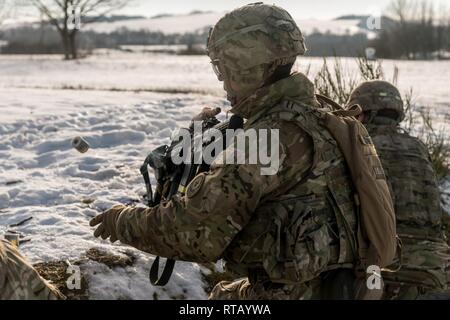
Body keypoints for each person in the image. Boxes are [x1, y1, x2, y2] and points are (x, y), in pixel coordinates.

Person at [90, 3, 396, 299]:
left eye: (222, 68)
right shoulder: (323, 117)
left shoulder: (268, 135)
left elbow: (194, 231)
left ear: (246, 63)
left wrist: (123, 220)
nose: (222, 81)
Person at [348, 80, 450, 299]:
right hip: (438, 265)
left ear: (364, 114)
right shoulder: (418, 147)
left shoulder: (361, 147)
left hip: (387, 267)